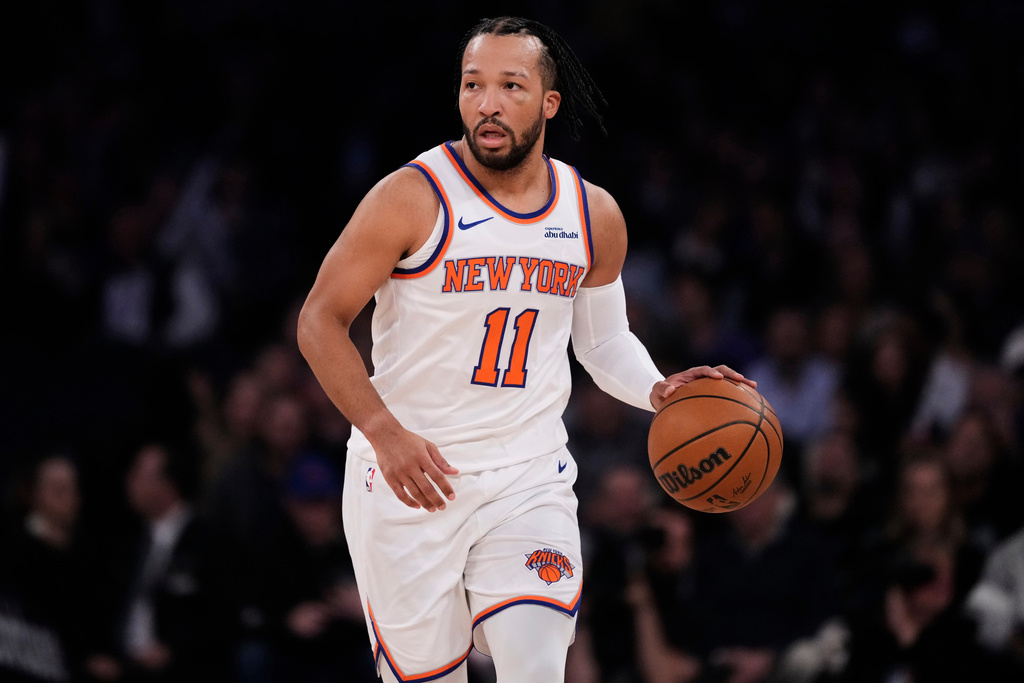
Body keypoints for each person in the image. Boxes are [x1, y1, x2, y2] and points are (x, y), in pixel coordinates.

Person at [296, 16, 753, 683]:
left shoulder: (592, 214)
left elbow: (603, 342)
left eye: (510, 85)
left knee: (535, 665)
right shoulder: (410, 198)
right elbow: (318, 321)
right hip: (409, 476)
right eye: (473, 84)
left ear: (548, 103)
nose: (487, 102)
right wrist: (382, 430)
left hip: (526, 475)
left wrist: (659, 389)